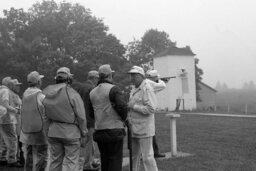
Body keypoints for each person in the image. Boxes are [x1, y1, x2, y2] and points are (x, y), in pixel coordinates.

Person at [43, 67, 87, 171]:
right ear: (69, 79)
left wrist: (46, 132)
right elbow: (81, 116)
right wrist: (84, 133)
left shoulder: (48, 93)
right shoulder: (73, 94)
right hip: (71, 133)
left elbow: (45, 116)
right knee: (71, 163)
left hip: (53, 132)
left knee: (55, 162)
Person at [89, 64, 128, 171]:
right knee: (115, 160)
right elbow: (123, 106)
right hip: (114, 130)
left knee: (105, 160)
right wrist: (124, 119)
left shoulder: (92, 92)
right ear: (110, 75)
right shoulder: (114, 89)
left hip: (99, 131)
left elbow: (91, 113)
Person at [127, 66, 158, 171]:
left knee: (147, 157)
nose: (131, 78)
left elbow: (151, 109)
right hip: (134, 128)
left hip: (145, 128)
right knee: (134, 156)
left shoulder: (147, 89)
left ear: (141, 76)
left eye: (134, 75)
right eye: (131, 75)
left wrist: (134, 107)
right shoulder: (134, 88)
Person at [20, 71, 48, 171]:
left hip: (26, 130)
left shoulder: (24, 95)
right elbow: (47, 111)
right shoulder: (41, 96)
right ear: (39, 81)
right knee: (42, 155)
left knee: (29, 154)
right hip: (39, 130)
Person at [74, 70, 100, 171]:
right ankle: (87, 165)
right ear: (93, 78)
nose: (97, 80)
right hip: (89, 119)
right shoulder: (92, 88)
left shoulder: (79, 87)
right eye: (97, 78)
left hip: (79, 119)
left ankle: (89, 162)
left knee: (83, 142)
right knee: (88, 142)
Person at [0, 77, 23, 167]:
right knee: (13, 139)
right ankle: (12, 160)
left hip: (1, 118)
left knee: (3, 138)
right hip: (8, 118)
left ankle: (2, 158)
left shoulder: (1, 90)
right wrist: (15, 110)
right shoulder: (6, 91)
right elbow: (5, 104)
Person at [146, 70, 166, 158]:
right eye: (156, 77)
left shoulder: (147, 83)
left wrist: (158, 80)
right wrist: (160, 80)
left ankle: (154, 152)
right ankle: (150, 153)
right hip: (147, 112)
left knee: (151, 132)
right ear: (154, 77)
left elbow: (157, 89)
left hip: (147, 111)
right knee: (148, 134)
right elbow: (163, 85)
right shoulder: (149, 83)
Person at [9, 79, 24, 164]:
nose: (19, 87)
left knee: (19, 140)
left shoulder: (15, 95)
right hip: (15, 120)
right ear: (12, 86)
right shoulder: (12, 95)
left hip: (18, 121)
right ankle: (17, 159)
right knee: (17, 141)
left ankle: (19, 158)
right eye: (17, 85)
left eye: (19, 85)